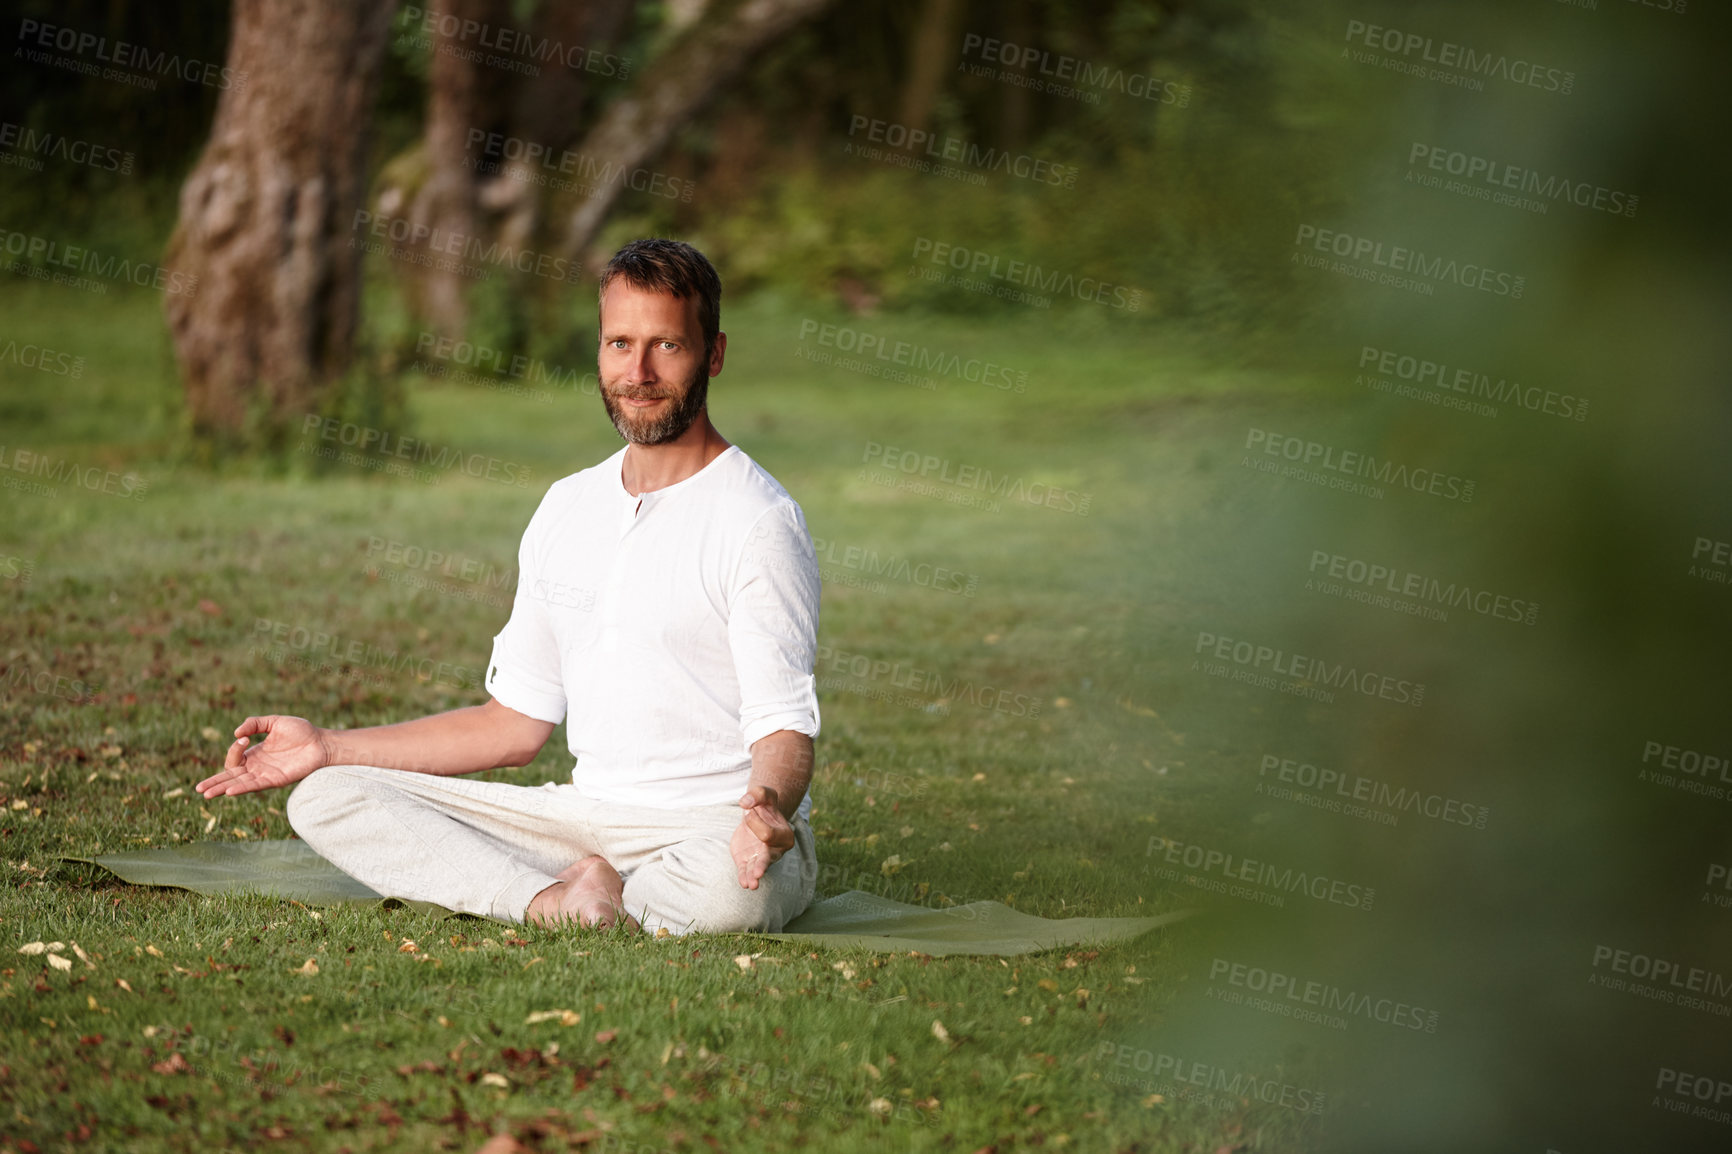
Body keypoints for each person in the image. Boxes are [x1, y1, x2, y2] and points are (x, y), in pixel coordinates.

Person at [195, 238, 822, 936]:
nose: (637, 371)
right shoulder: (567, 506)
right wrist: (328, 746)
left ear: (713, 354)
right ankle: (555, 898)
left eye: (665, 346)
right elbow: (514, 725)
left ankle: (591, 892)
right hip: (584, 818)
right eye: (619, 343)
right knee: (327, 798)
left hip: (712, 826)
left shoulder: (758, 519)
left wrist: (766, 806)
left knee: (730, 899)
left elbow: (784, 726)